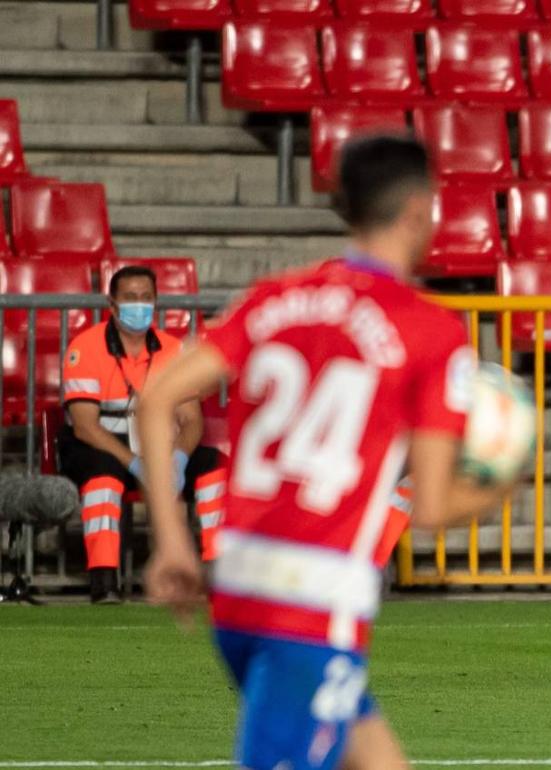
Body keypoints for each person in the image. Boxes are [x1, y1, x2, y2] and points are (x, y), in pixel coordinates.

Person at [136, 135, 509, 770]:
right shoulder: (431, 331)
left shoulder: (272, 299)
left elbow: (154, 398)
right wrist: (503, 481)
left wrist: (171, 542)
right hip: (314, 608)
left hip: (239, 587)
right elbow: (434, 505)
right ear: (419, 209)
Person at [59, 265, 226, 604]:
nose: (140, 305)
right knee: (103, 477)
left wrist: (178, 458)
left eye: (146, 298)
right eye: (130, 298)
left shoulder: (172, 350)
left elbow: (191, 420)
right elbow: (85, 425)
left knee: (213, 467)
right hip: (102, 443)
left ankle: (217, 575)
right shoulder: (85, 347)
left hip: (159, 444)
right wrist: (136, 464)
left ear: (156, 301)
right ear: (112, 303)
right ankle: (104, 582)